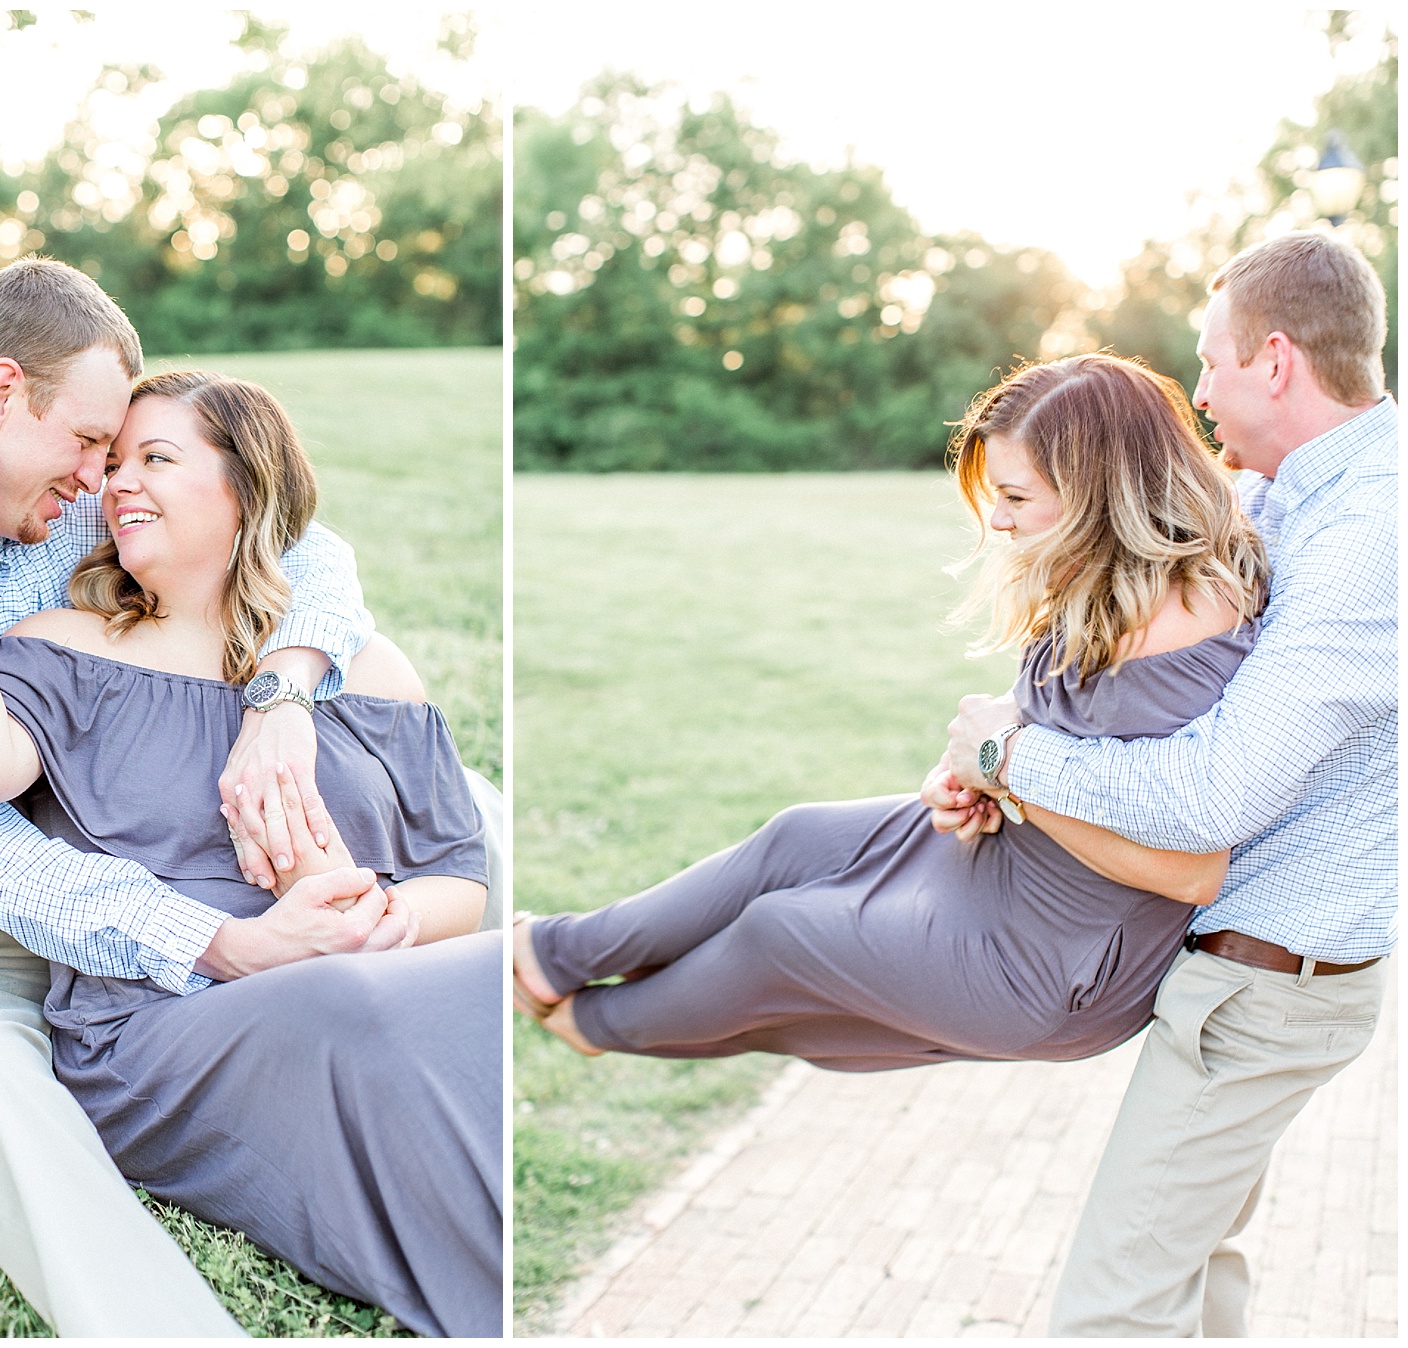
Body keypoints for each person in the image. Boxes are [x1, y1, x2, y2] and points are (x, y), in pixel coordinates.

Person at [0, 258, 499, 1336]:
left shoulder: (70, 512)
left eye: (123, 454)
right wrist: (221, 945)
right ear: (2, 397)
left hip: (132, 878)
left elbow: (303, 549)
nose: (104, 480)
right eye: (95, 443)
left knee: (462, 800)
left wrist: (281, 697)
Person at [513, 352, 1267, 1076]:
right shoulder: (1117, 577)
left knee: (783, 935)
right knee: (795, 838)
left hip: (1058, 960)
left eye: (1016, 497)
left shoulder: (1186, 614)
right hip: (1007, 857)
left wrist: (1004, 770)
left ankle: (595, 1023)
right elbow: (1074, 734)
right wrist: (974, 774)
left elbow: (1191, 873)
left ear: (1098, 489)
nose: (999, 522)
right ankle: (552, 954)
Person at [945, 231, 1394, 1337]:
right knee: (1194, 1278)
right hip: (1250, 974)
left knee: (1113, 1310)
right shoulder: (1296, 494)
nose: (1197, 393)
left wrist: (1008, 757)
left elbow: (1212, 796)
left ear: (1276, 360)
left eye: (1211, 361)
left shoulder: (1373, 525)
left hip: (1267, 987)